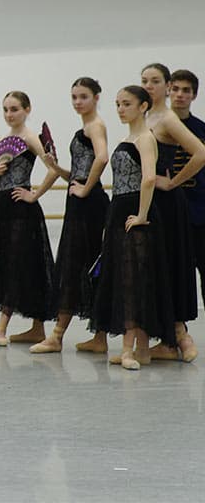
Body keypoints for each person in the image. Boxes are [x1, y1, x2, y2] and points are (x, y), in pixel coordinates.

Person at [90, 86, 175, 370]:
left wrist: (141, 214)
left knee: (134, 281)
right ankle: (141, 350)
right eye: (117, 104)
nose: (120, 109)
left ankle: (130, 350)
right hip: (120, 210)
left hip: (134, 213)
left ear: (143, 106)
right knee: (129, 278)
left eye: (126, 104)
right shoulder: (129, 137)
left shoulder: (145, 138)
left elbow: (149, 178)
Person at [31, 78, 110, 354]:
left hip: (89, 205)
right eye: (74, 97)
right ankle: (97, 336)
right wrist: (58, 168)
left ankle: (57, 335)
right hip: (80, 202)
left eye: (83, 97)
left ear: (96, 98)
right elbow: (78, 173)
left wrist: (86, 188)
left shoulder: (96, 125)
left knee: (77, 264)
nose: (78, 102)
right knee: (78, 264)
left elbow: (102, 158)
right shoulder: (85, 127)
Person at [0, 91, 57, 346]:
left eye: (14, 109)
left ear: (27, 109)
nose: (10, 114)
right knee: (6, 262)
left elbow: (53, 170)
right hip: (2, 206)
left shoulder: (30, 138)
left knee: (22, 263)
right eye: (6, 110)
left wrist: (34, 195)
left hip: (22, 208)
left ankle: (3, 326)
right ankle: (37, 329)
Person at [140, 63, 205, 362]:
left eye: (155, 81)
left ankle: (179, 337)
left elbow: (201, 154)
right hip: (158, 204)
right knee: (163, 271)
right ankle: (175, 337)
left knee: (178, 271)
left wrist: (173, 183)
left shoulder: (170, 120)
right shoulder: (146, 117)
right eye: (145, 81)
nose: (178, 94)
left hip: (187, 207)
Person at [169, 70, 205, 308]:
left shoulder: (201, 129)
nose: (180, 95)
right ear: (169, 91)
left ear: (194, 95)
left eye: (186, 91)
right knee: (172, 275)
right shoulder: (156, 127)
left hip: (200, 212)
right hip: (168, 212)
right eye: (176, 89)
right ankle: (173, 334)